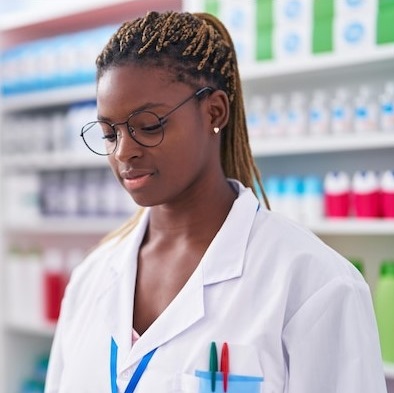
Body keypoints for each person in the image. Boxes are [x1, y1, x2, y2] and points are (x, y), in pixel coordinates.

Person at [44, 10, 387, 393]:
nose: (124, 152)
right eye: (109, 134)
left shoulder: (314, 283)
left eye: (149, 126)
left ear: (214, 112)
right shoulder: (91, 278)